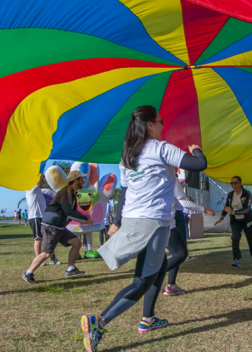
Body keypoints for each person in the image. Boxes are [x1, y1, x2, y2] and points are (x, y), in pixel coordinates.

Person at [82, 105, 207, 352]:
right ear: (150, 124)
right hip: (154, 223)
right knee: (142, 282)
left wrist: (117, 222)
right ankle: (100, 321)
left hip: (132, 220)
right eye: (161, 121)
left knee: (159, 268)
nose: (163, 125)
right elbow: (199, 163)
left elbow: (125, 193)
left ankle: (148, 319)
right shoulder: (161, 148)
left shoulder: (128, 155)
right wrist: (196, 149)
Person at [22, 171, 90, 284]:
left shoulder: (72, 193)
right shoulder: (66, 192)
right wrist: (85, 219)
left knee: (76, 242)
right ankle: (28, 273)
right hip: (52, 226)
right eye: (81, 179)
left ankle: (70, 269)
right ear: (76, 180)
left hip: (59, 226)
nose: (83, 181)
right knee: (47, 253)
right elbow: (68, 211)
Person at [162, 177, 215, 295]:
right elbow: (184, 202)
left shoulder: (151, 176)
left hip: (148, 224)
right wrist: (203, 209)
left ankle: (169, 285)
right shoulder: (170, 178)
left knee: (172, 254)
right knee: (180, 253)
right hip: (165, 224)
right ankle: (154, 278)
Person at [215, 176, 252, 267]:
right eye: (232, 183)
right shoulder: (230, 195)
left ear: (240, 183)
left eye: (235, 183)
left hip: (248, 221)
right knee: (235, 238)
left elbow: (246, 209)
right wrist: (221, 217)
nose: (233, 185)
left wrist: (233, 211)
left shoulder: (247, 194)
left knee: (250, 240)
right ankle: (236, 260)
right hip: (236, 221)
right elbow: (227, 207)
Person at [25, 175, 60, 267]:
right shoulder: (31, 190)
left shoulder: (39, 192)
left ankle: (53, 258)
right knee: (38, 239)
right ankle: (39, 259)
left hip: (43, 217)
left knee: (49, 238)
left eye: (43, 182)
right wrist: (40, 174)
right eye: (42, 181)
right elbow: (35, 180)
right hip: (35, 217)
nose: (42, 183)